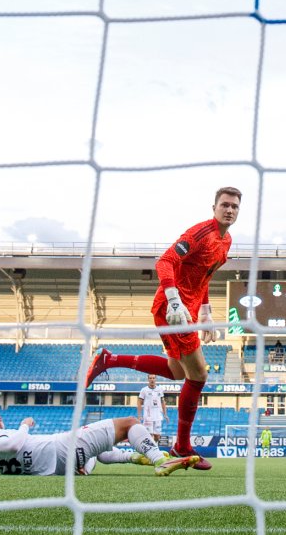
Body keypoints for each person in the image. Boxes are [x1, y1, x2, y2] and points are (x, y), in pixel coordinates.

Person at [86, 186, 242, 471]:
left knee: (177, 372)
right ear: (214, 207)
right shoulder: (199, 234)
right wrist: (173, 300)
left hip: (188, 312)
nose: (229, 210)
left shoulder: (226, 241)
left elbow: (204, 277)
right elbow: (165, 261)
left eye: (234, 206)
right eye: (225, 205)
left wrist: (206, 313)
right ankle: (182, 445)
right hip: (174, 311)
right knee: (199, 375)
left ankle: (110, 359)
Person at [0, 408, 199, 477]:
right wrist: (24, 424)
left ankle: (135, 457)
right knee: (130, 423)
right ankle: (159, 459)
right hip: (62, 448)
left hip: (60, 469)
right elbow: (12, 445)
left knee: (97, 453)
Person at [136, 375, 168, 443]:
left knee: (157, 436)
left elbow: (162, 401)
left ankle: (155, 446)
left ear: (156, 379)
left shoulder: (160, 389)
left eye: (153, 378)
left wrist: (165, 414)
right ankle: (151, 450)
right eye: (150, 378)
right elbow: (139, 402)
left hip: (158, 416)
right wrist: (139, 415)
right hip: (148, 417)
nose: (152, 380)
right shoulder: (144, 390)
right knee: (149, 435)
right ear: (148, 379)